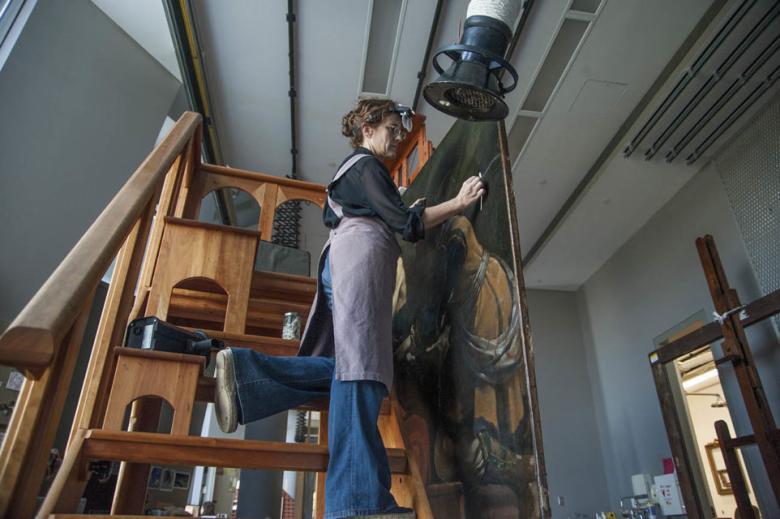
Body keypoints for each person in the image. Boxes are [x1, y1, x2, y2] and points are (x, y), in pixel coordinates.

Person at [213, 98, 485, 519]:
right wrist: (458, 203)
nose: (398, 137)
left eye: (400, 130)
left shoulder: (357, 173)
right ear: (367, 128)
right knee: (362, 371)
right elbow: (407, 225)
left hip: (350, 258)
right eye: (392, 128)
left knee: (352, 370)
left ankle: (247, 378)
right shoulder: (366, 166)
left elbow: (391, 216)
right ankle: (358, 504)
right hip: (360, 259)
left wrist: (401, 207)